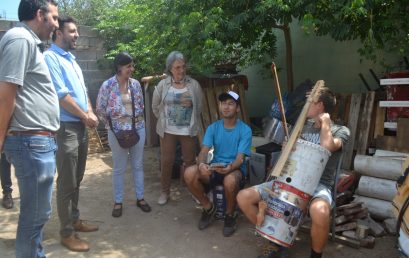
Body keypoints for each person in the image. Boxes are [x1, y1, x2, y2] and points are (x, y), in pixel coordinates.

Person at [237, 87, 350, 258]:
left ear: (319, 105)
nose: (305, 105)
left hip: (318, 186)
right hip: (290, 181)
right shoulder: (302, 127)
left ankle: (315, 255)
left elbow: (327, 146)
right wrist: (287, 148)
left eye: (309, 102)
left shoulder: (340, 130)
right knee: (243, 197)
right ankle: (275, 238)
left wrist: (325, 123)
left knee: (320, 211)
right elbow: (290, 158)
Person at [0, 1, 60, 257]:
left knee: (37, 217)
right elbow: (6, 92)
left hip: (36, 143)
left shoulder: (27, 42)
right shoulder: (20, 39)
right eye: (54, 18)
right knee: (33, 219)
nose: (57, 24)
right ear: (40, 14)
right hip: (29, 143)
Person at [44, 16, 99, 252]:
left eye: (77, 31)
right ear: (59, 34)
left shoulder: (73, 61)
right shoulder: (51, 58)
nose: (77, 35)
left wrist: (90, 111)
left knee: (77, 178)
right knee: (66, 181)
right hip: (66, 128)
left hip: (80, 125)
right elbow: (61, 96)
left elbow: (83, 92)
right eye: (73, 31)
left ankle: (75, 219)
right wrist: (85, 116)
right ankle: (67, 233)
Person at [184, 91, 252, 237]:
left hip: (235, 169)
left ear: (238, 108)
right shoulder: (213, 128)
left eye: (230, 104)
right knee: (189, 173)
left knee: (230, 180)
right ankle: (209, 208)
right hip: (216, 167)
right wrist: (202, 164)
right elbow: (204, 152)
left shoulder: (245, 130)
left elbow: (240, 158)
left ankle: (230, 215)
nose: (226, 107)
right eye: (223, 103)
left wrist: (230, 167)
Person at [96, 52, 151, 218]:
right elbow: (100, 108)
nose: (132, 69)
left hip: (137, 128)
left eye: (132, 66)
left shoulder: (135, 85)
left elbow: (140, 106)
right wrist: (112, 124)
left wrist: (133, 120)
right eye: (129, 66)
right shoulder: (107, 85)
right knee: (119, 168)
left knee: (138, 165)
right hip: (117, 131)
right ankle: (118, 201)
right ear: (119, 67)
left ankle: (140, 198)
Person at [152, 51, 203, 205]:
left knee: (189, 162)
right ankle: (164, 192)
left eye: (183, 67)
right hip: (168, 131)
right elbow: (155, 107)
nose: (181, 70)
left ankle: (194, 191)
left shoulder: (193, 85)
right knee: (166, 161)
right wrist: (164, 120)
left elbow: (199, 107)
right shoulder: (162, 85)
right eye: (177, 67)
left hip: (188, 131)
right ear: (170, 69)